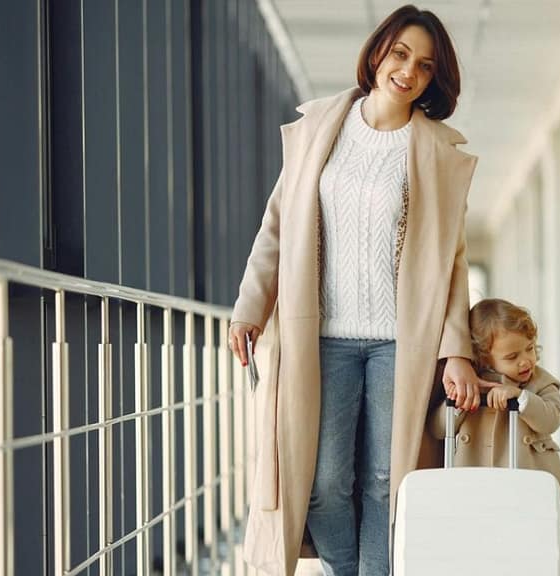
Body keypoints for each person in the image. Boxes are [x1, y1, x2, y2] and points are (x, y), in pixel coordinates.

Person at [227, 5, 483, 575]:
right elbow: (276, 226)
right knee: (320, 482)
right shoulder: (319, 128)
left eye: (424, 65)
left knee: (386, 480)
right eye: (400, 54)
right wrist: (250, 308)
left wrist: (457, 351)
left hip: (401, 342)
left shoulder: (437, 154)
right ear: (377, 51)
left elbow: (453, 264)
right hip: (320, 338)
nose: (408, 71)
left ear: (433, 79)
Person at [429, 298, 560, 521]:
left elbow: (552, 420)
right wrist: (460, 403)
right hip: (476, 484)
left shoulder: (541, 383)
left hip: (529, 485)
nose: (526, 361)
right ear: (483, 358)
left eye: (529, 349)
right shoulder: (471, 384)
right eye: (512, 357)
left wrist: (520, 396)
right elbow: (438, 430)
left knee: (531, 539)